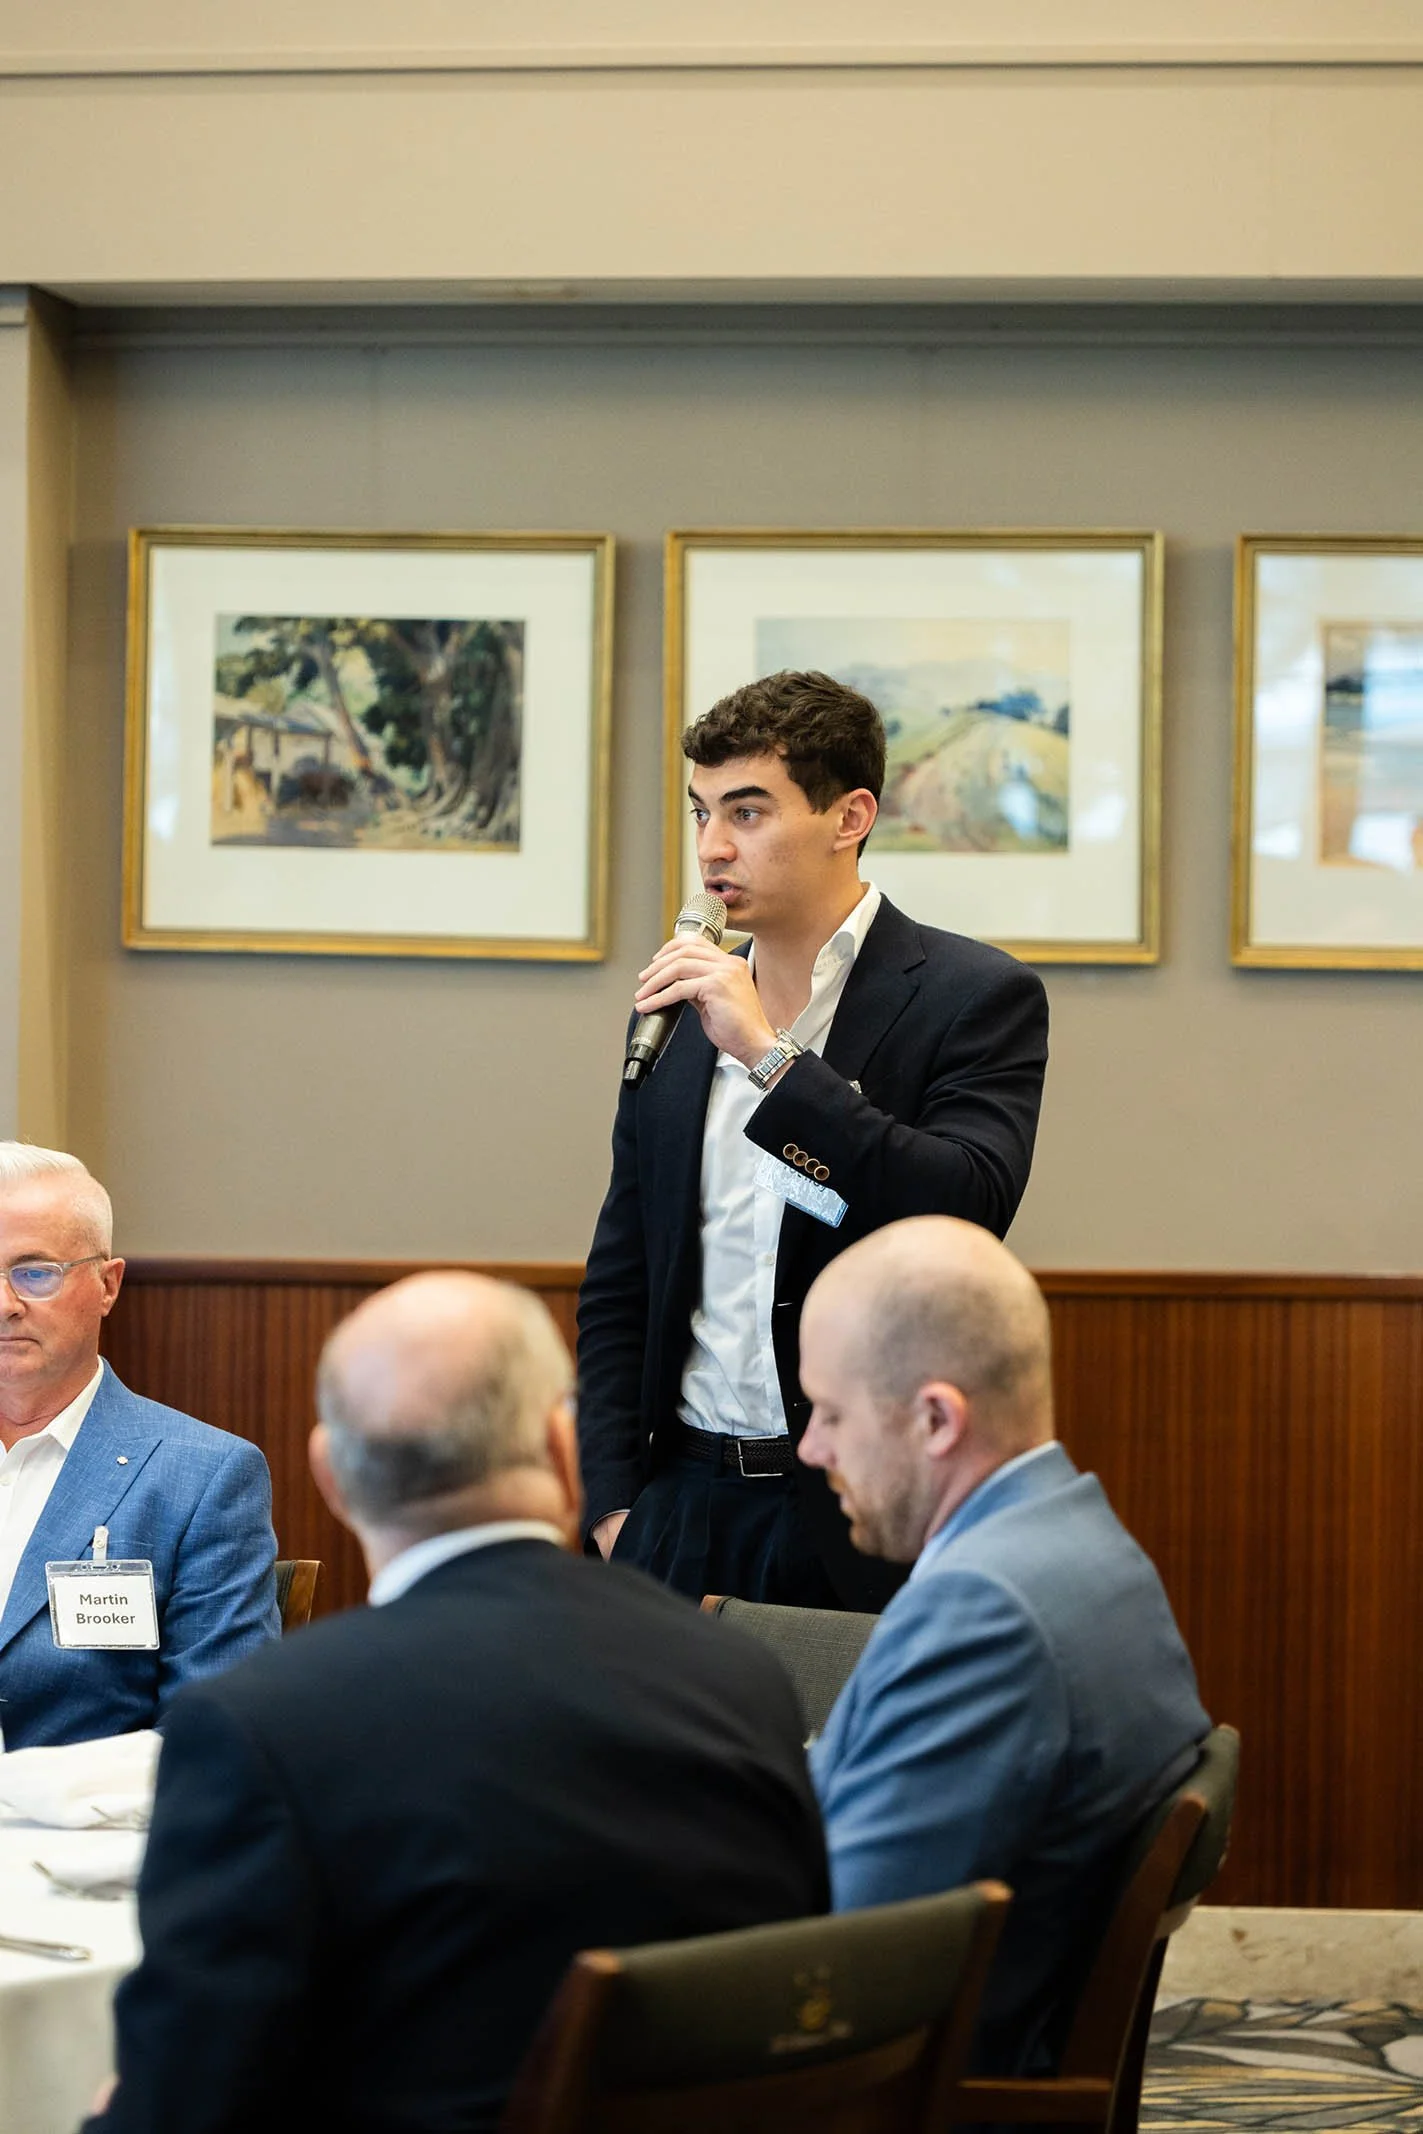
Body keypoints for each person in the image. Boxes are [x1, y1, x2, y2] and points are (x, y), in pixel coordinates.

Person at [85, 1271, 827, 2134]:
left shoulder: (265, 1725)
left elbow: (184, 2105)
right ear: (561, 1445)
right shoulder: (741, 1675)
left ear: (331, 1476)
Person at [578, 669, 1049, 1610]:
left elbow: (961, 1205)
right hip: (675, 1515)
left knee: (845, 1763)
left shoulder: (970, 997)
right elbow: (621, 1278)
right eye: (701, 812)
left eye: (747, 813)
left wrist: (765, 1054)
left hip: (864, 1511)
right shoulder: (676, 1016)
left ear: (850, 816)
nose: (712, 848)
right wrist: (614, 1507)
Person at [798, 1215, 1210, 2076]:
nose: (811, 1448)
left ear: (935, 1420)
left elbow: (844, 1962)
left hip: (906, 2092)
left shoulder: (984, 1612)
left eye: (830, 1413)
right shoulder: (1086, 1546)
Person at [0, 1142, 278, 1749]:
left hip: (79, 1835)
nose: (5, 1304)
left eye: (35, 1273)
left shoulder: (202, 1477)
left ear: (107, 1284)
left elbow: (214, 1732)